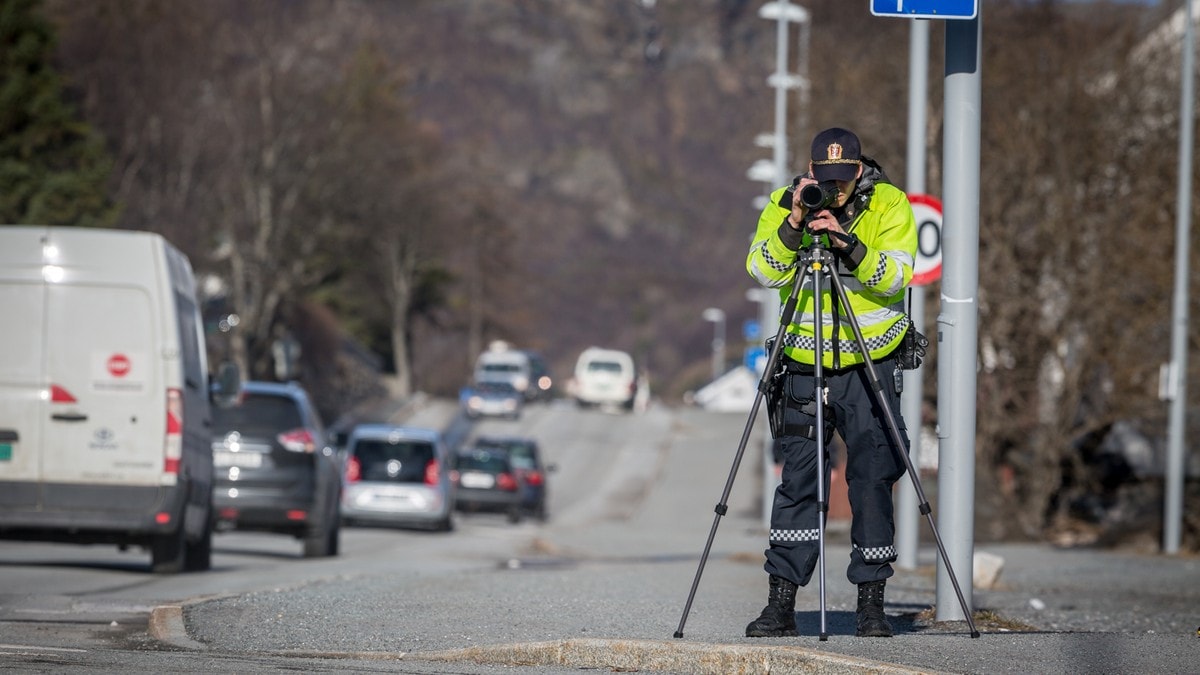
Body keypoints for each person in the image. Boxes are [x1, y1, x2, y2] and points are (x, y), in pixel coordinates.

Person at [744, 127, 918, 638]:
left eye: (843, 180)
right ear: (811, 172)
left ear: (860, 170)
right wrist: (796, 222)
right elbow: (762, 269)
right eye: (825, 180)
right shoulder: (787, 201)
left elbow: (895, 276)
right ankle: (781, 604)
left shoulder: (889, 205)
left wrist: (849, 244)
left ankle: (870, 604)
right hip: (801, 363)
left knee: (871, 481)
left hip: (870, 364)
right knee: (798, 482)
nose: (834, 191)